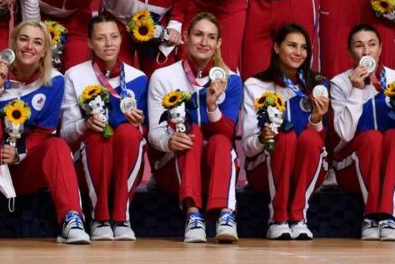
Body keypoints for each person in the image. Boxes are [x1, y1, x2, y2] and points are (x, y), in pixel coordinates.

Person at [0, 19, 89, 244]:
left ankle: (72, 218)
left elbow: (43, 132)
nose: (30, 46)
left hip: (21, 168)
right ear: (12, 42)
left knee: (57, 145)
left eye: (37, 42)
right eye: (24, 39)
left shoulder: (55, 80)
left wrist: (19, 152)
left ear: (44, 52)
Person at [147, 12, 243, 243]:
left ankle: (225, 215)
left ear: (219, 43)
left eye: (211, 37)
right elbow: (154, 133)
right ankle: (193, 215)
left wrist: (212, 106)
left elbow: (227, 133)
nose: (204, 42)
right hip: (173, 166)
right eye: (198, 35)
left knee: (220, 141)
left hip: (214, 170)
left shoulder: (231, 79)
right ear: (186, 38)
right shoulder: (163, 76)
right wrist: (169, 141)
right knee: (192, 134)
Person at [329, 24, 395, 241]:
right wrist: (356, 90)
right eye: (359, 46)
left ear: (381, 48)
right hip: (351, 168)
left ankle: (385, 217)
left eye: (372, 45)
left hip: (393, 168)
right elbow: (344, 134)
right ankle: (373, 215)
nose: (366, 51)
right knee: (371, 138)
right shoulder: (339, 83)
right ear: (349, 52)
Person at [60, 14, 148, 241]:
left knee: (129, 133)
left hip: (124, 158)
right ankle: (99, 217)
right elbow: (66, 134)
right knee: (99, 138)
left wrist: (139, 126)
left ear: (121, 40)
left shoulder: (138, 78)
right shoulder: (74, 75)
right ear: (89, 42)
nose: (108, 44)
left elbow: (147, 133)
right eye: (100, 38)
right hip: (89, 158)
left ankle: (122, 217)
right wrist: (84, 124)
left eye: (114, 37)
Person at [241, 23, 329, 240]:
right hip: (264, 168)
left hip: (305, 170)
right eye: (291, 45)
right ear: (277, 47)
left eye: (303, 47)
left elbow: (318, 143)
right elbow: (248, 148)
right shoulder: (255, 85)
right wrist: (263, 138)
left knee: (310, 138)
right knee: (286, 137)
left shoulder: (317, 85)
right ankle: (278, 218)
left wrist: (316, 120)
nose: (298, 53)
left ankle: (299, 218)